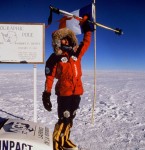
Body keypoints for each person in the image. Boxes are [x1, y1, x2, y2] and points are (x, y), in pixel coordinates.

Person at [42, 15, 93, 150]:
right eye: (62, 39)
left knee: (71, 118)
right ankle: (57, 142)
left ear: (71, 39)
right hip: (64, 93)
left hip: (77, 92)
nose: (65, 41)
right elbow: (50, 77)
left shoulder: (76, 54)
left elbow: (86, 42)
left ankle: (65, 139)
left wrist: (86, 27)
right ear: (58, 41)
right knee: (64, 118)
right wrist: (46, 93)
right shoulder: (55, 58)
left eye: (67, 38)